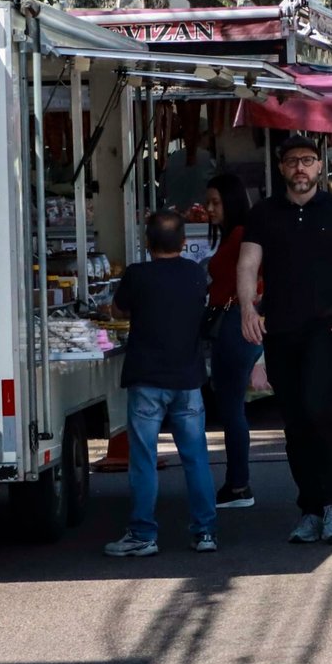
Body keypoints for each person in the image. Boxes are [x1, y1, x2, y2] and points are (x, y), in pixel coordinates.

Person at [238, 135, 332, 545]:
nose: (301, 168)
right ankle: (309, 508)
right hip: (279, 329)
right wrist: (247, 308)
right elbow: (247, 264)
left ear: (320, 166)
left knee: (318, 410)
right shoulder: (263, 213)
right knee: (294, 422)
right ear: (281, 167)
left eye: (309, 160)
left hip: (325, 329)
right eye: (293, 161)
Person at [104, 212, 218, 557]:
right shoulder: (195, 273)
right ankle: (205, 532)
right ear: (184, 242)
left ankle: (142, 533)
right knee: (196, 457)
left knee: (143, 458)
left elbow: (118, 311)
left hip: (147, 378)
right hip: (187, 377)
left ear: (147, 243)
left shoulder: (137, 275)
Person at [205, 173, 260, 510]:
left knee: (232, 408)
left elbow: (259, 280)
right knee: (231, 408)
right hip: (234, 323)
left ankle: (239, 484)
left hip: (236, 325)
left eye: (215, 202)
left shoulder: (241, 235)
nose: (209, 209)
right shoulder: (235, 234)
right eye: (208, 202)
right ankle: (237, 483)